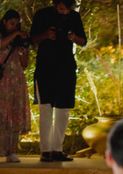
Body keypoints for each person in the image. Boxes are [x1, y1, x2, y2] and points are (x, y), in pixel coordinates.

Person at [31, 0, 86, 162]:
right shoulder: (42, 15)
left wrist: (73, 37)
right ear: (56, 4)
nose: (64, 12)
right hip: (45, 68)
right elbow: (32, 38)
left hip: (66, 68)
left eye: (67, 9)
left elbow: (83, 41)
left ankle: (57, 149)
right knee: (45, 109)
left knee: (63, 111)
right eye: (61, 8)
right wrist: (46, 35)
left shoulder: (74, 16)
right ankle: (45, 151)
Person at [0, 9, 31, 163]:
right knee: (2, 113)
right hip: (2, 80)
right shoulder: (4, 37)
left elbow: (25, 64)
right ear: (4, 22)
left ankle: (11, 151)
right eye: (11, 23)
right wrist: (15, 34)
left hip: (16, 80)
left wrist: (24, 51)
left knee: (14, 113)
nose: (14, 27)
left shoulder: (19, 40)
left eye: (16, 25)